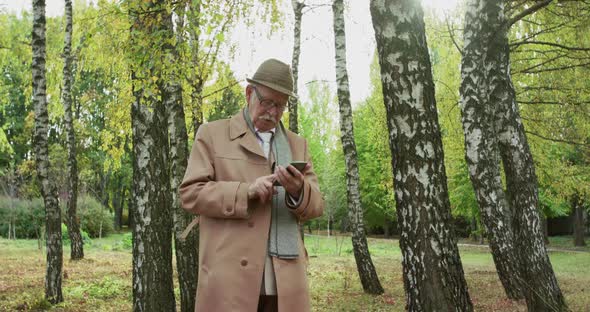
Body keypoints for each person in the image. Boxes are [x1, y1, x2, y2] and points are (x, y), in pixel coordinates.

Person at [180, 58, 324, 312]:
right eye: (267, 102)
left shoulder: (296, 144)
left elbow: (316, 206)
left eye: (280, 105)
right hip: (229, 280)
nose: (273, 112)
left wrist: (297, 191)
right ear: (249, 93)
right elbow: (191, 194)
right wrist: (245, 192)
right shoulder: (212, 134)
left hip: (283, 284)